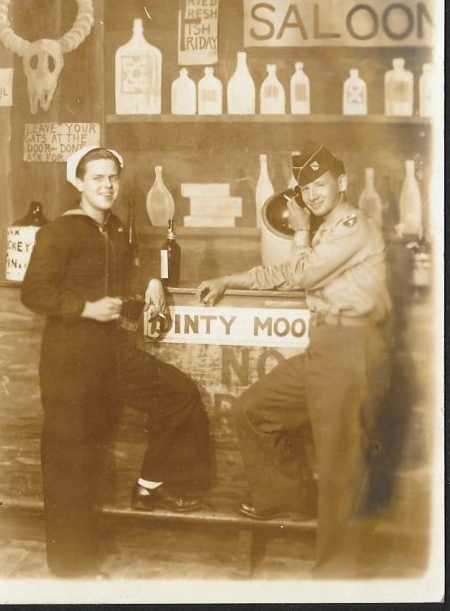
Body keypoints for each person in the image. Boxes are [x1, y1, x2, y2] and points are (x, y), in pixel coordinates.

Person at [196, 141, 392, 577]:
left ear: (341, 182)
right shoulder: (324, 231)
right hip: (324, 347)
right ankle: (286, 498)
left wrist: (300, 229)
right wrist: (229, 279)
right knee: (253, 409)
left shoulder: (352, 225)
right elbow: (285, 273)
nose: (312, 195)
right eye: (305, 189)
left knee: (341, 463)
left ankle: (337, 578)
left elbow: (301, 272)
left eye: (319, 185)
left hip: (353, 347)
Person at [22, 145, 211, 578]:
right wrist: (86, 309)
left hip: (110, 355)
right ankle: (70, 566)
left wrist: (150, 281)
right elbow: (34, 293)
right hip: (69, 359)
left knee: (178, 393)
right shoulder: (59, 232)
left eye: (112, 178)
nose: (106, 185)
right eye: (97, 178)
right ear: (79, 184)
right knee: (69, 457)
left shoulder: (114, 228)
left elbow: (127, 267)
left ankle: (152, 485)